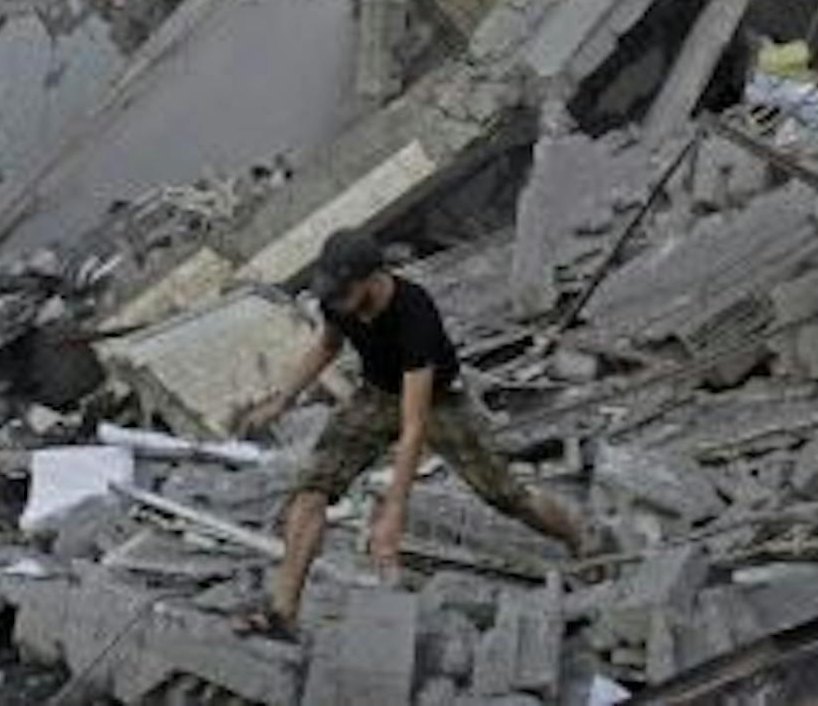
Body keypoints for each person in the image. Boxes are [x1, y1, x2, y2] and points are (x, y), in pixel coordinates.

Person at [232, 229, 587, 633]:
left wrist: (393, 513)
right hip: (376, 394)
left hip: (438, 402)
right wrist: (284, 398)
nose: (340, 304)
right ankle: (283, 613)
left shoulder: (414, 312)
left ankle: (577, 536)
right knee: (310, 491)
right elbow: (327, 347)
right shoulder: (338, 300)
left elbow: (414, 425)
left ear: (372, 278)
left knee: (507, 497)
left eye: (346, 293)